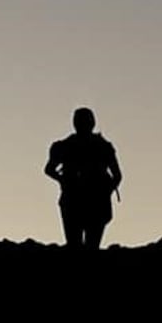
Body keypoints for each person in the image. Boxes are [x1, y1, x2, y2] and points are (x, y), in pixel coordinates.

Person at [44, 107, 122, 250]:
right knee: (82, 247)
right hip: (77, 201)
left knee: (82, 247)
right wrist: (64, 180)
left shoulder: (100, 146)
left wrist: (105, 192)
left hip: (91, 202)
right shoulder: (68, 146)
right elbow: (49, 169)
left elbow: (117, 176)